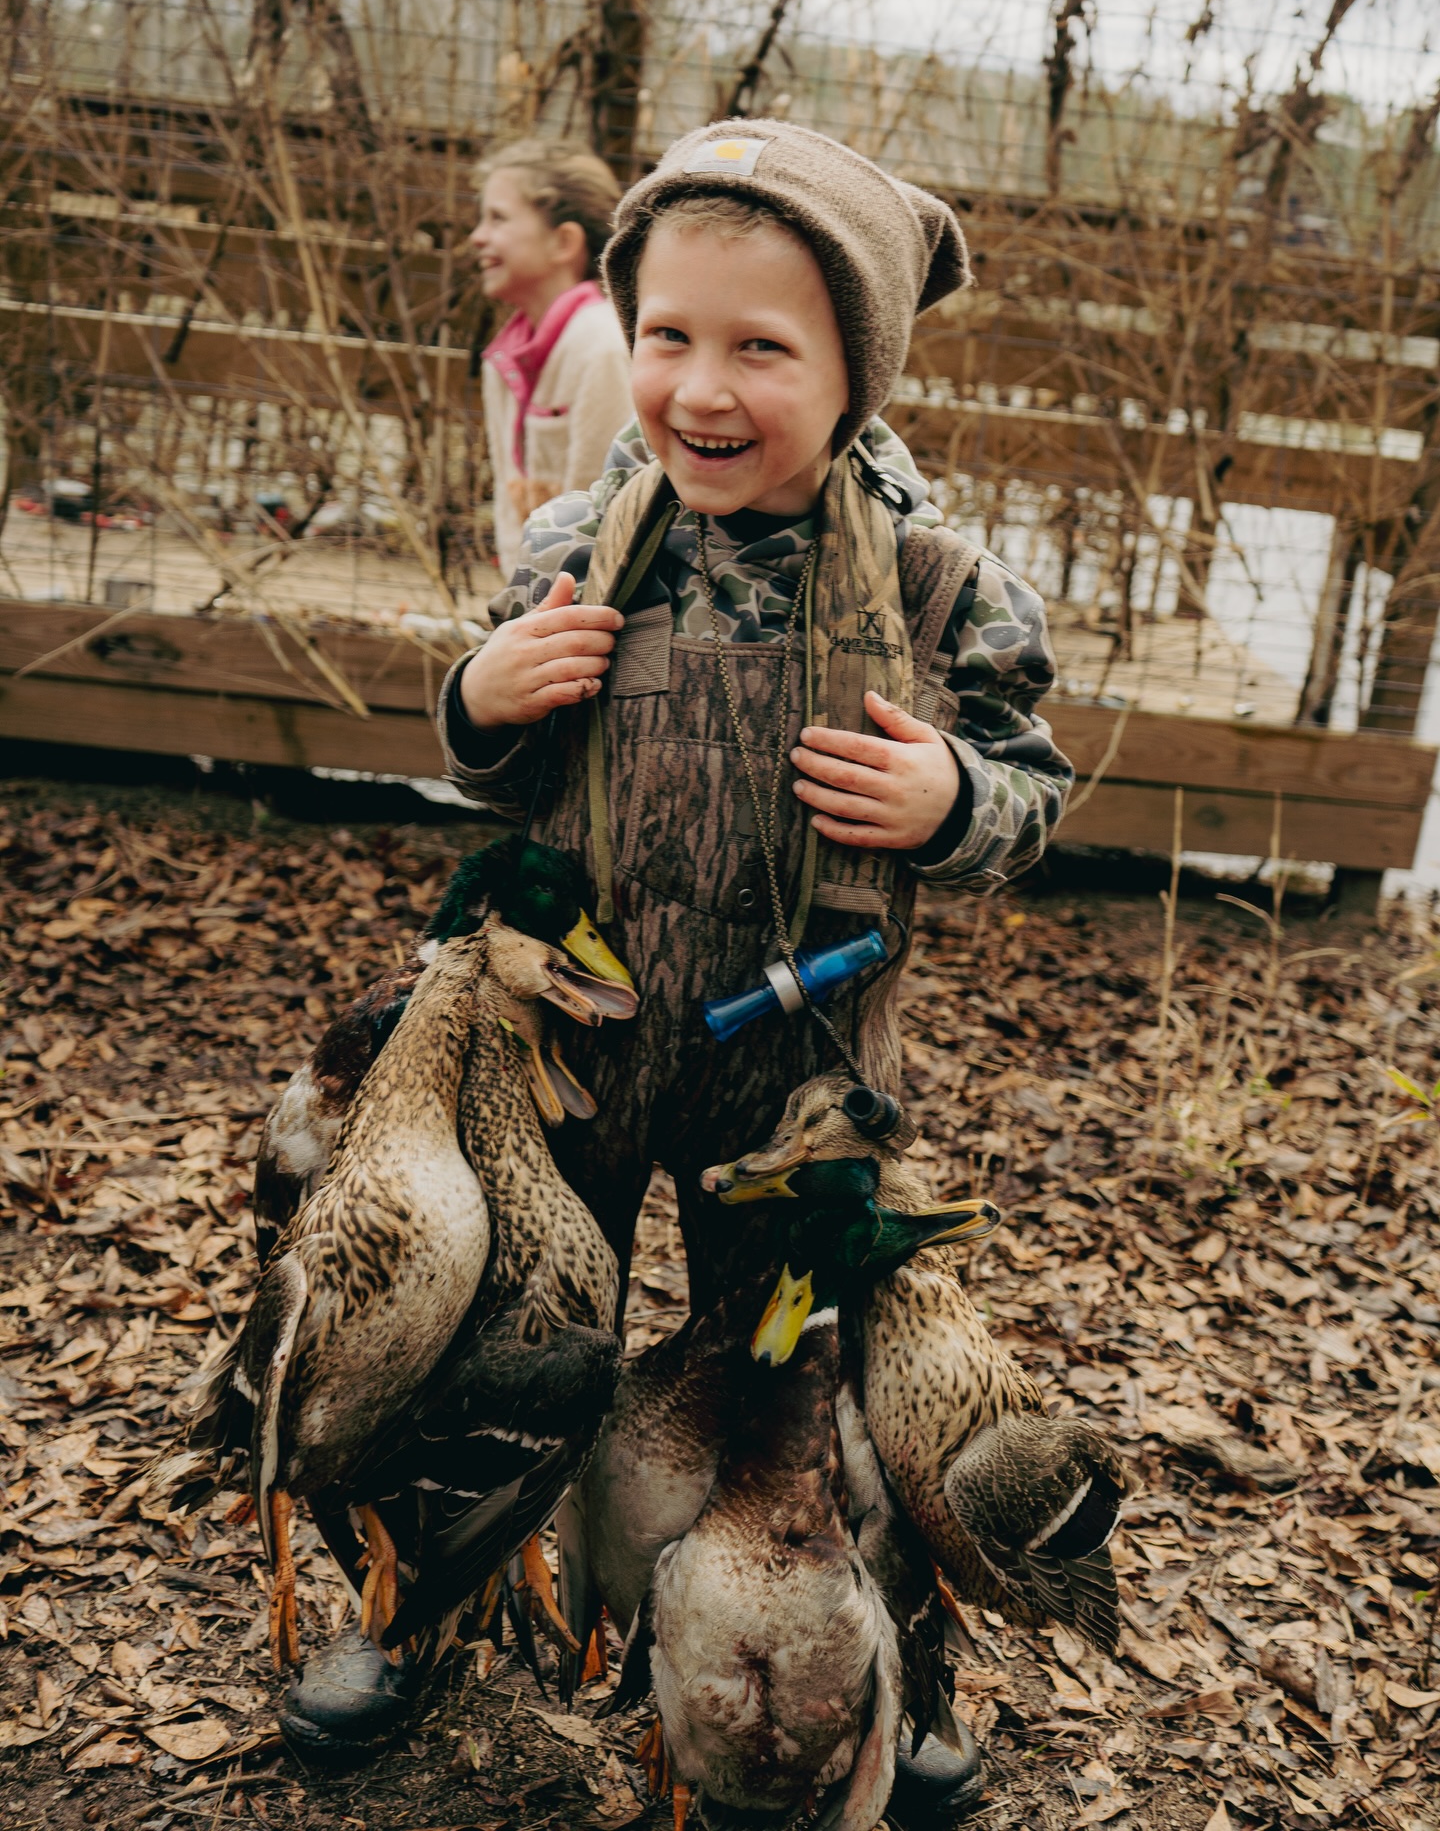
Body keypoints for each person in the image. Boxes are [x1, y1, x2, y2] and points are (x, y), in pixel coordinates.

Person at [284, 123, 1072, 1823]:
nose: (699, 386)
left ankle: (888, 1673)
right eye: (665, 336)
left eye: (760, 348)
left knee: (810, 1386)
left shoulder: (944, 587)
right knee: (495, 1335)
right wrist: (483, 701)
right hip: (562, 1052)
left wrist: (953, 798)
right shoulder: (583, 541)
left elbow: (1035, 795)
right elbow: (493, 783)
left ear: (860, 369)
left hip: (794, 1084)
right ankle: (415, 1608)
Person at [472, 139, 634, 577]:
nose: (477, 236)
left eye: (498, 218)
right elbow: (511, 507)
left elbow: (608, 508)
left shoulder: (601, 346)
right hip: (531, 598)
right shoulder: (503, 359)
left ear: (563, 241)